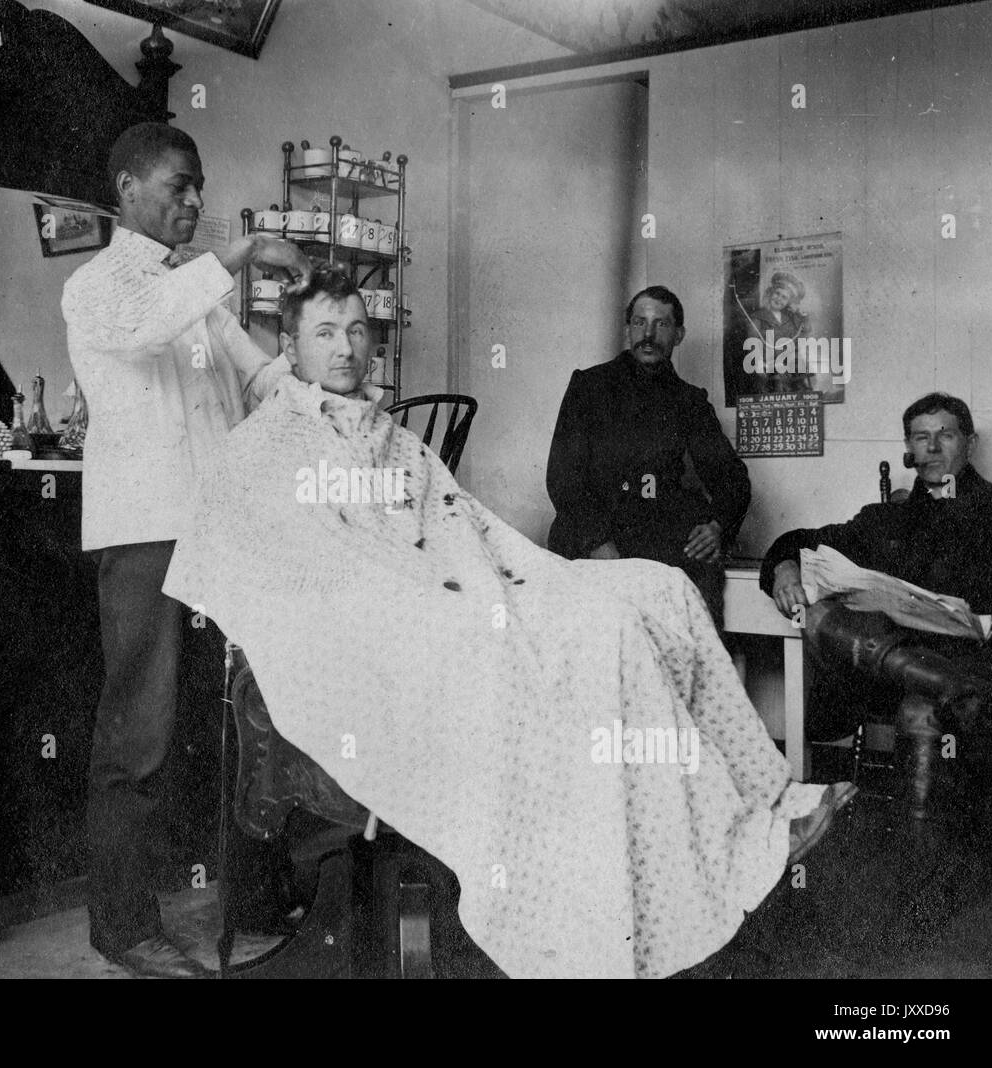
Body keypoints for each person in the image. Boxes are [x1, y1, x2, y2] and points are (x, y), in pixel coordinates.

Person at [163, 266, 840, 979]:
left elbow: (461, 524)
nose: (347, 349)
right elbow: (317, 572)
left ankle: (761, 806)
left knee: (663, 589)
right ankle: (704, 859)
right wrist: (455, 598)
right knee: (598, 628)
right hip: (375, 629)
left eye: (359, 331)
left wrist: (505, 585)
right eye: (326, 333)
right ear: (289, 348)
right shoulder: (269, 444)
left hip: (458, 586)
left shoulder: (386, 434)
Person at [61, 122, 312, 979]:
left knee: (242, 719)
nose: (194, 201)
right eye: (179, 186)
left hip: (221, 529)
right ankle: (123, 927)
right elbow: (140, 330)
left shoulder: (197, 297)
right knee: (140, 737)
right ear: (127, 189)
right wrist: (238, 254)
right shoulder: (97, 288)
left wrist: (330, 388)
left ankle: (254, 904)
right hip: (146, 536)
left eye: (200, 186)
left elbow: (257, 376)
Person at [760, 392, 992, 747]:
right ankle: (956, 691)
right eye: (921, 437)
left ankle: (955, 689)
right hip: (888, 678)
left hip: (976, 666)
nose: (932, 447)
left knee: (922, 709)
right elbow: (800, 541)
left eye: (945, 435)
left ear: (970, 442)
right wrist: (784, 569)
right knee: (817, 611)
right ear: (909, 447)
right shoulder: (885, 520)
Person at [545, 286, 751, 628]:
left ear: (679, 335)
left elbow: (731, 478)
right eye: (640, 323)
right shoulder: (589, 387)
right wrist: (598, 543)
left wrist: (716, 526)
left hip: (658, 537)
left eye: (662, 324)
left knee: (692, 610)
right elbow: (562, 477)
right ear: (628, 329)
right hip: (590, 535)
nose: (649, 335)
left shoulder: (689, 401)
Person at [747, 271, 810, 393]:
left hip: (789, 372)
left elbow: (804, 332)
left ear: (788, 302)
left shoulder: (790, 319)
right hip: (767, 374)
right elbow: (753, 344)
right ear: (771, 293)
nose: (779, 299)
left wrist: (798, 312)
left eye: (784, 297)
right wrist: (760, 364)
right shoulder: (757, 317)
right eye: (777, 293)